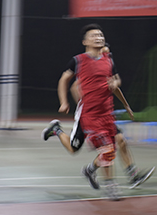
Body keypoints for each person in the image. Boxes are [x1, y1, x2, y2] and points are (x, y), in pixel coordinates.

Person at [43, 43, 155, 189]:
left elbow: (115, 88)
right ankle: (56, 130)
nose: (105, 54)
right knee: (73, 148)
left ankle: (132, 175)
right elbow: (74, 87)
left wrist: (126, 105)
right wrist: (84, 104)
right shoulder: (88, 68)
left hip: (103, 116)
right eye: (103, 51)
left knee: (119, 141)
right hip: (87, 116)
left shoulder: (106, 67)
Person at [41, 24, 122, 200]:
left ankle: (90, 170)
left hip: (106, 114)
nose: (98, 37)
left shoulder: (109, 60)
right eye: (94, 35)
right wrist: (63, 102)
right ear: (85, 41)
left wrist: (115, 83)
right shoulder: (78, 61)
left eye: (100, 35)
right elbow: (64, 80)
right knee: (103, 149)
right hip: (88, 115)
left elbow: (117, 79)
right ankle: (111, 186)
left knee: (102, 150)